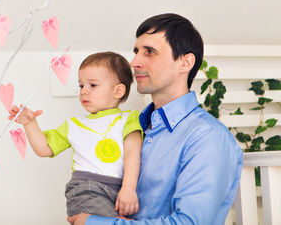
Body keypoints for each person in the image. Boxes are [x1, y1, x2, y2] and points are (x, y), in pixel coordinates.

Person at [68, 13, 243, 225]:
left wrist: (94, 222)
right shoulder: (133, 127)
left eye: (149, 52)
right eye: (136, 52)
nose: (134, 62)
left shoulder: (208, 137)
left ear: (185, 62)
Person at [8, 52, 143, 218]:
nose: (84, 91)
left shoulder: (129, 119)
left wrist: (128, 189)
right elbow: (44, 149)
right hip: (86, 188)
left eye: (92, 85)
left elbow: (133, 153)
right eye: (81, 86)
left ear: (118, 91)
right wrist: (29, 123)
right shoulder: (74, 124)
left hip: (119, 189)